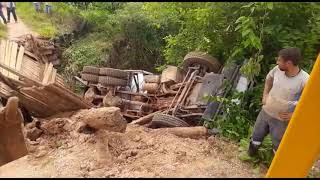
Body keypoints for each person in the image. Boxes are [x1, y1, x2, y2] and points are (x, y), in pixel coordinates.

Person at [248, 47, 310, 156]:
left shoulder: (305, 80)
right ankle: (251, 155)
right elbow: (269, 79)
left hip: (281, 120)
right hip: (266, 112)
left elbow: (309, 103)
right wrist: (265, 94)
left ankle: (273, 168)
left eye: (280, 60)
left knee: (277, 144)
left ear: (289, 63)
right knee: (256, 135)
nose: (277, 62)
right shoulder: (277, 69)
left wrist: (294, 115)